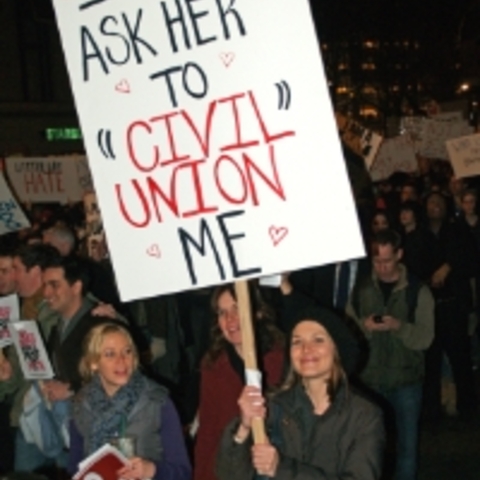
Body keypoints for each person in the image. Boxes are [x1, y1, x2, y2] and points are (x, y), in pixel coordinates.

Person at [216, 306, 384, 480]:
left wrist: (282, 469)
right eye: (297, 342)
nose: (306, 349)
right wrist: (243, 429)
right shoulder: (273, 407)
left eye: (318, 340)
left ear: (336, 349)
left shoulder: (364, 416)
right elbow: (229, 476)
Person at [347, 229, 434, 480]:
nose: (382, 268)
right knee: (369, 450)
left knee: (406, 449)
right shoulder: (361, 288)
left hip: (406, 382)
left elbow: (426, 338)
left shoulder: (418, 291)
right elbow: (347, 333)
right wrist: (365, 326)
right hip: (369, 382)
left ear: (399, 255)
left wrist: (399, 327)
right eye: (377, 261)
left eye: (387, 261)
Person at [69, 323, 191, 480]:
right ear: (93, 363)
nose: (122, 361)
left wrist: (152, 470)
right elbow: (74, 468)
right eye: (110, 354)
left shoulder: (158, 402)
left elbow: (183, 473)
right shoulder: (81, 405)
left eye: (127, 351)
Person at [194, 283, 285, 480]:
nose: (230, 320)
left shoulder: (284, 357)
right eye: (222, 312)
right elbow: (208, 431)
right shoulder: (213, 365)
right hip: (230, 469)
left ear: (258, 312)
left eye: (237, 308)